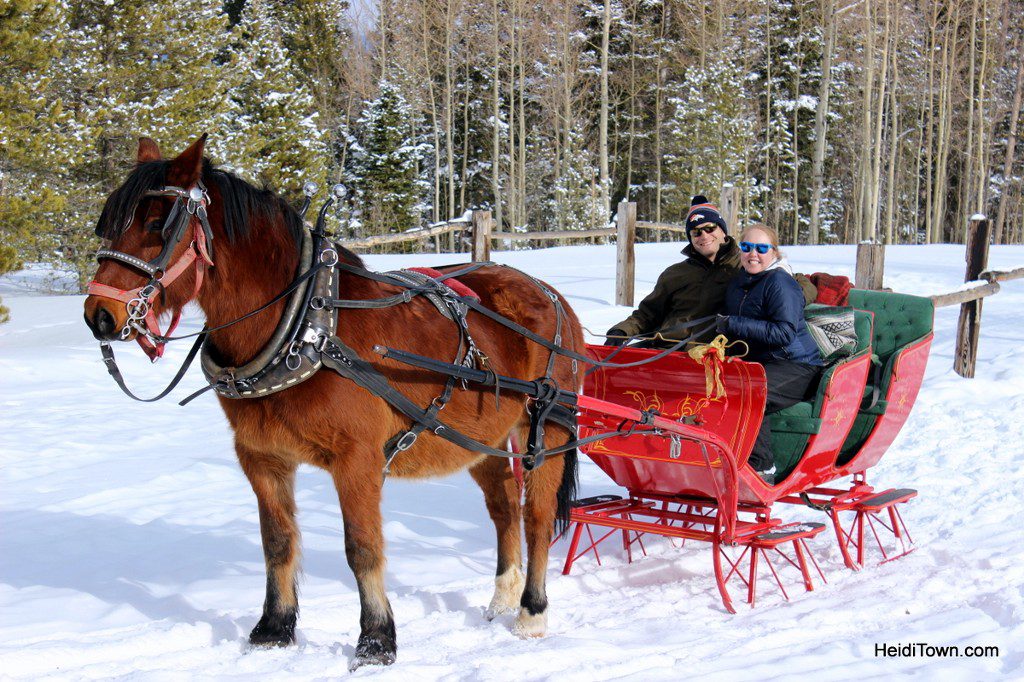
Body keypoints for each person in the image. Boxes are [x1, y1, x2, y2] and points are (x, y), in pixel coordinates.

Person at [716, 224, 823, 485]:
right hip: (762, 362)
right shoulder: (740, 281)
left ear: (773, 252)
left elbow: (784, 333)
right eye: (747, 247)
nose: (753, 254)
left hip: (797, 366)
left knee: (751, 393)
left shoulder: (779, 282)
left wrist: (732, 324)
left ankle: (762, 467)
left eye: (762, 248)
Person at [605, 195, 740, 347]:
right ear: (690, 238)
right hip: (667, 348)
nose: (704, 235)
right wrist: (622, 331)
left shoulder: (743, 267)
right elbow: (648, 314)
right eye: (696, 232)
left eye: (710, 228)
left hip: (717, 353)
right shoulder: (675, 273)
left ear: (723, 230)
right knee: (607, 364)